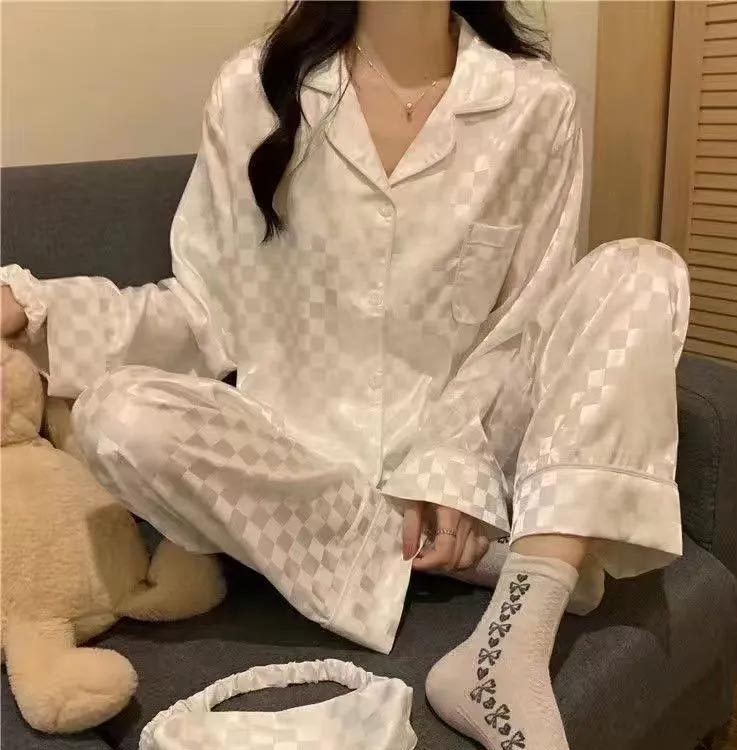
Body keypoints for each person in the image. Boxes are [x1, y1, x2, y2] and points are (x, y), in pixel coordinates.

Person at [1, 2, 690, 748]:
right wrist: (39, 312)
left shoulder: (536, 104)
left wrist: (451, 465)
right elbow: (202, 314)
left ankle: (508, 644)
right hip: (304, 477)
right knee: (118, 416)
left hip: (467, 465)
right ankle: (516, 557)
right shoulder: (254, 89)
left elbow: (522, 324)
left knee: (642, 271)